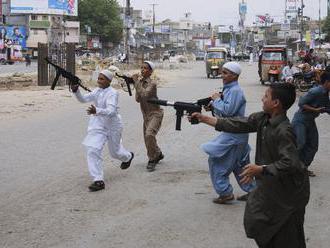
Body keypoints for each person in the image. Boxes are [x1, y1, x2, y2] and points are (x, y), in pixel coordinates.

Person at [191, 83, 310, 248]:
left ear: (276, 103)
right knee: (262, 224)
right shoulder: (263, 119)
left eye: (266, 96)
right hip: (272, 186)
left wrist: (261, 169)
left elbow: (291, 162)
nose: (262, 98)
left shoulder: (284, 130)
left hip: (289, 193)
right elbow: (238, 124)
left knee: (288, 236)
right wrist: (204, 119)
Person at [201, 61, 255, 204]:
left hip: (234, 135)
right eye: (222, 72)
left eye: (225, 73)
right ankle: (253, 191)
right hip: (236, 134)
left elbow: (228, 111)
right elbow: (225, 111)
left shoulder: (235, 91)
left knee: (217, 162)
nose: (222, 75)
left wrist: (217, 100)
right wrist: (213, 106)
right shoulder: (229, 89)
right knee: (240, 165)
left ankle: (225, 193)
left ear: (234, 75)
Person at [71, 70, 134, 191]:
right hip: (98, 126)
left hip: (113, 126)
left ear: (109, 81)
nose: (99, 81)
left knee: (115, 153)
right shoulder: (97, 91)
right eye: (99, 78)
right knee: (92, 149)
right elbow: (83, 99)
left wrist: (97, 111)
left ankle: (128, 157)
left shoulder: (113, 93)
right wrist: (76, 90)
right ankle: (98, 180)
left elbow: (111, 111)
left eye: (102, 79)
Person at [291, 72, 330, 177]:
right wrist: (315, 109)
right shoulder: (315, 91)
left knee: (313, 145)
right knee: (300, 143)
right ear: (327, 82)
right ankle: (290, 168)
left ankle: (302, 167)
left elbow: (327, 108)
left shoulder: (326, 93)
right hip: (300, 120)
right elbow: (301, 104)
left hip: (310, 121)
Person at [132, 61, 164, 172]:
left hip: (156, 113)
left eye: (145, 68)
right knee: (147, 138)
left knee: (149, 134)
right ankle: (158, 153)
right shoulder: (140, 83)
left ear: (151, 71)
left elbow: (145, 95)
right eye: (141, 68)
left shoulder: (153, 83)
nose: (142, 70)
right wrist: (137, 84)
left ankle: (152, 159)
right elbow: (137, 99)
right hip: (145, 114)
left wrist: (136, 83)